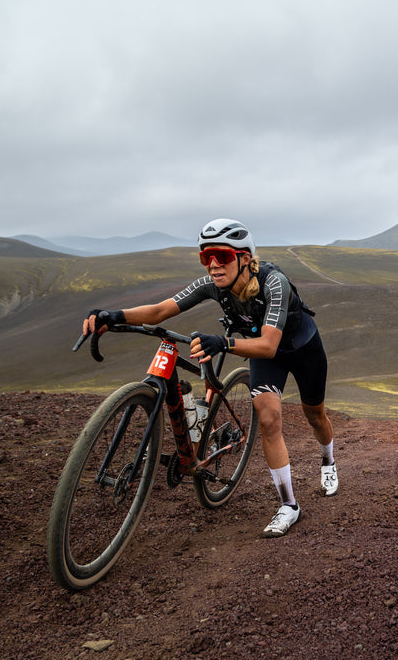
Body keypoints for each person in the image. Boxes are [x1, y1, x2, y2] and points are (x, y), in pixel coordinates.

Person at [82, 218, 337, 538]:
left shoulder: (274, 283)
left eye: (222, 256)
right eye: (206, 257)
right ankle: (289, 506)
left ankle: (327, 460)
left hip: (301, 350)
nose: (213, 265)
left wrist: (225, 343)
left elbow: (271, 345)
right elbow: (162, 310)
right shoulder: (213, 286)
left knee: (315, 415)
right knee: (269, 418)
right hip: (261, 353)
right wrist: (114, 315)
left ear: (245, 258)